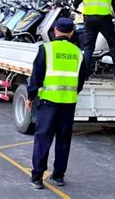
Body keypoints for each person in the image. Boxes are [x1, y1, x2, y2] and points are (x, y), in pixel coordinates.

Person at [26, 18, 88, 190]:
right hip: (68, 103)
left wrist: (30, 97)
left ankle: (37, 177)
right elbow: (81, 81)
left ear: (55, 30)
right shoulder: (78, 53)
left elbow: (36, 77)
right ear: (71, 33)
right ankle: (58, 176)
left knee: (43, 139)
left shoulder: (46, 49)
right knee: (63, 140)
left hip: (48, 102)